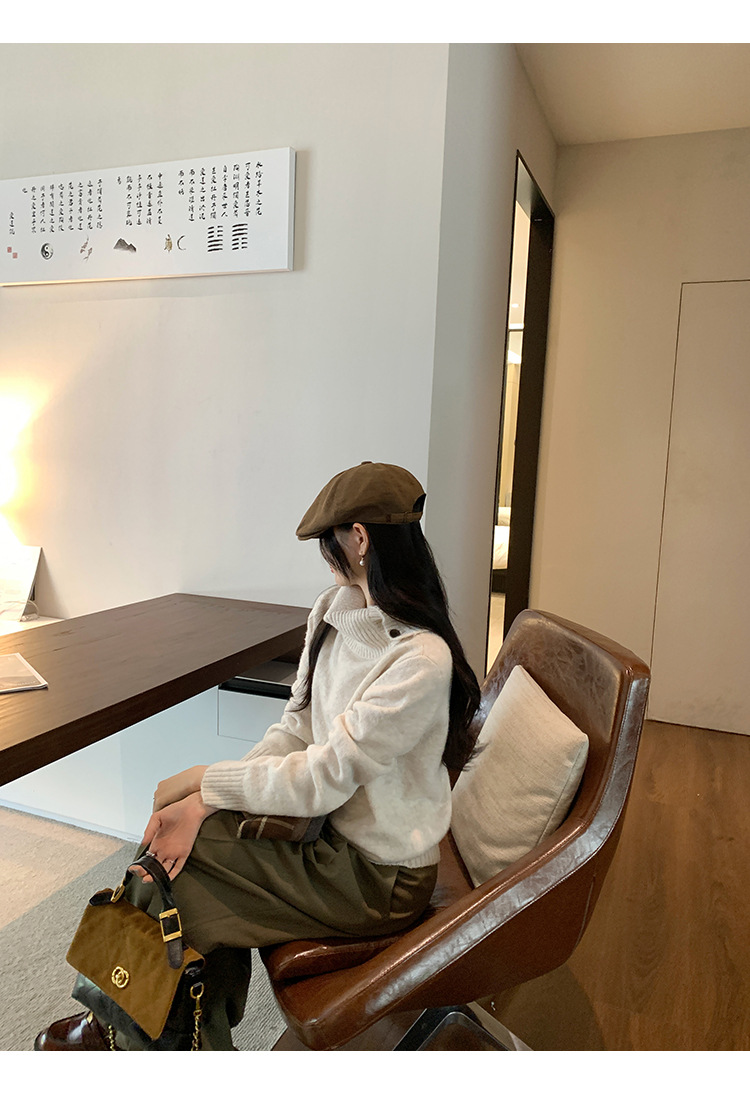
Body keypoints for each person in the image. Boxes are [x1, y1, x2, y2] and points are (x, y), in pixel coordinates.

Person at [35, 461, 480, 1051]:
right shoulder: (333, 612)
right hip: (329, 836)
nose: (324, 555)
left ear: (359, 537)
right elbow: (297, 727)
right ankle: (149, 1034)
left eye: (327, 540)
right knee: (172, 854)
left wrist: (205, 783)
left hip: (380, 876)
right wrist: (206, 802)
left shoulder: (419, 661)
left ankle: (117, 1034)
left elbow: (324, 776)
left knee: (178, 873)